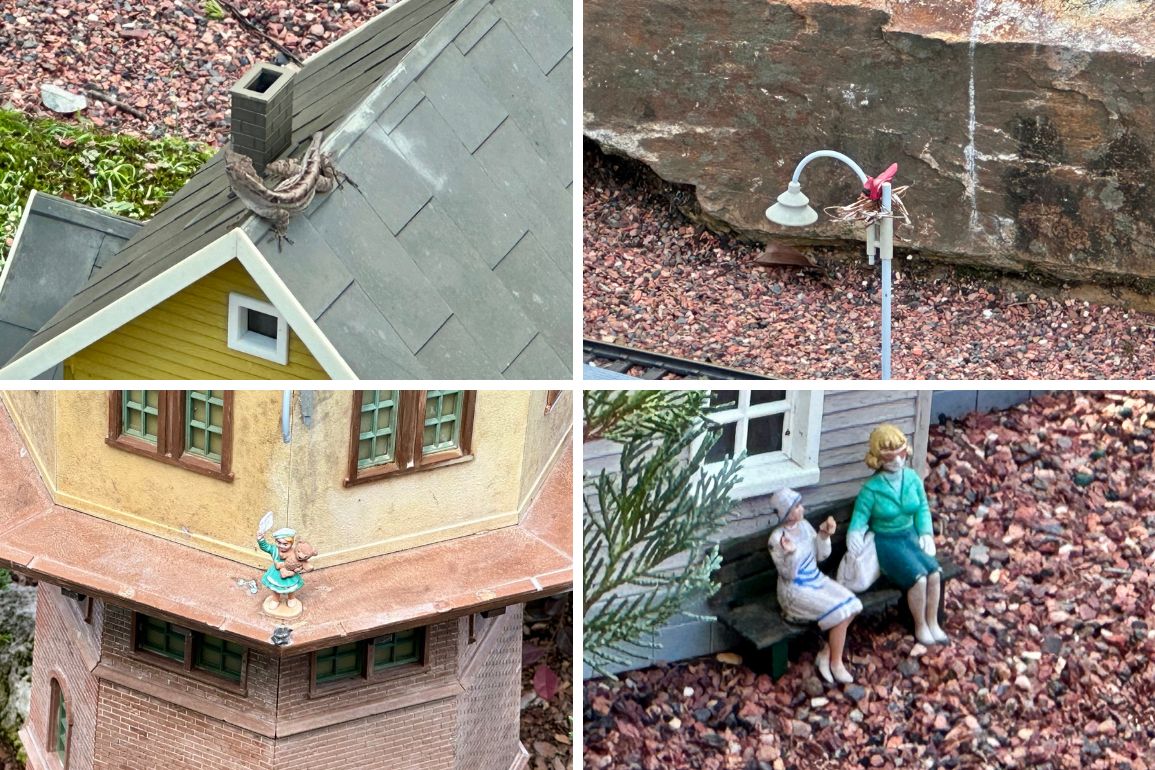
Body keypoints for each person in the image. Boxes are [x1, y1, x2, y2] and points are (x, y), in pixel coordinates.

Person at [849, 424, 949, 646]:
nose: (897, 461)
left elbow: (922, 507)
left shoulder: (912, 478)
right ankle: (920, 625)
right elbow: (860, 517)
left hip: (910, 536)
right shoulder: (871, 489)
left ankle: (933, 622)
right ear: (878, 459)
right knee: (918, 578)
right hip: (887, 541)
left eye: (901, 455)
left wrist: (926, 533)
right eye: (889, 458)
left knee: (934, 573)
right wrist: (854, 534)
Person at [768, 488, 863, 684]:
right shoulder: (777, 539)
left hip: (816, 580)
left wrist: (823, 536)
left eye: (799, 505)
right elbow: (788, 574)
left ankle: (826, 653)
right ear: (787, 512)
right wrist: (791, 553)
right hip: (794, 591)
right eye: (796, 506)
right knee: (840, 611)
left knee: (854, 605)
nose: (801, 509)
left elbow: (820, 556)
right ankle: (836, 663)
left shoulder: (804, 527)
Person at [257, 527, 308, 616]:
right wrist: (261, 539)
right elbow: (265, 547)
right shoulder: (275, 550)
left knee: (291, 588)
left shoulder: (295, 551)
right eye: (278, 542)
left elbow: (301, 559)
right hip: (276, 573)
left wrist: (299, 567)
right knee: (275, 588)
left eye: (285, 544)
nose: (281, 546)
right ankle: (275, 600)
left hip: (290, 573)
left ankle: (291, 598)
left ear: (291, 543)